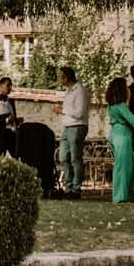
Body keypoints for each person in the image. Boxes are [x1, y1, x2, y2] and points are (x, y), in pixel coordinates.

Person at [105, 77, 134, 204]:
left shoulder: (114, 105)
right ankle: (120, 196)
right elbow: (133, 120)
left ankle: (126, 194)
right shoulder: (120, 105)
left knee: (126, 166)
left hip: (119, 134)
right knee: (123, 167)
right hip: (122, 136)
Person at [58, 67, 89, 198]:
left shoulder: (79, 90)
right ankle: (68, 187)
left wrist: (62, 110)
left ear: (66, 78)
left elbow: (79, 113)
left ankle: (76, 189)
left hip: (77, 126)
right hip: (67, 127)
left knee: (76, 158)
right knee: (63, 157)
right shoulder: (68, 92)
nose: (59, 79)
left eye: (60, 76)